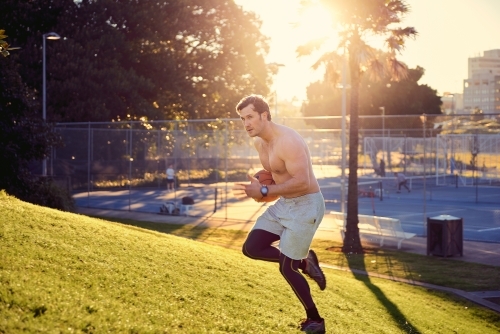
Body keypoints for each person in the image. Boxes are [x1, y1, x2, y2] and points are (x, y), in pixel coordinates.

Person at [233, 94, 326, 334]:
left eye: (250, 117)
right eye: (243, 118)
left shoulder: (288, 141)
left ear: (264, 115)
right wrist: (260, 193)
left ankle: (315, 320)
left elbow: (302, 183)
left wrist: (264, 189)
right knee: (251, 248)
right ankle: (306, 261)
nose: (246, 123)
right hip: (286, 203)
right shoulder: (259, 144)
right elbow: (275, 183)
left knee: (286, 268)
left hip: (307, 205)